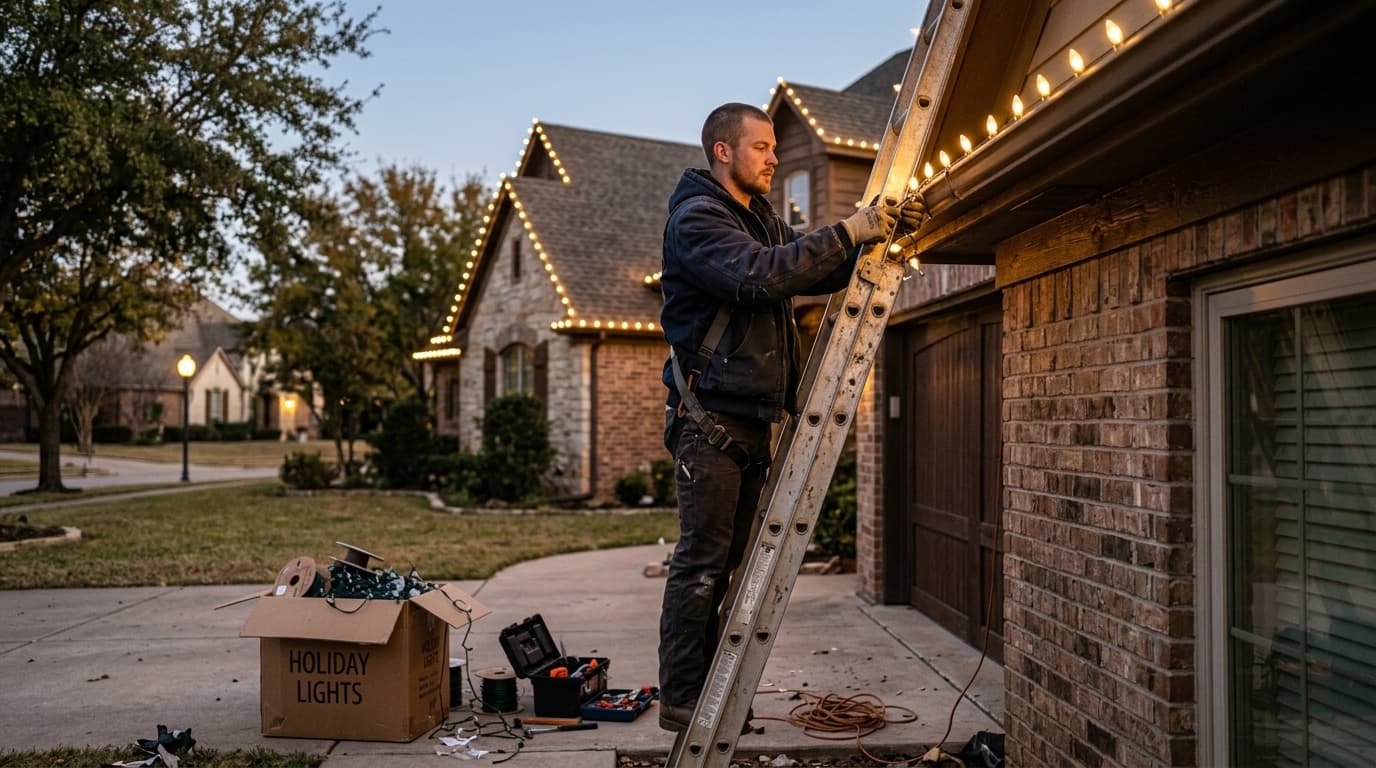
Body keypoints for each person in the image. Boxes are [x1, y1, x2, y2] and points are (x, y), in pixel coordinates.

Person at [656, 102, 926, 732]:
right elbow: (759, 276)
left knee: (732, 565)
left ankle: (715, 691)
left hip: (748, 418)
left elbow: (813, 266)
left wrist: (879, 230)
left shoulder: (762, 220)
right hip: (709, 421)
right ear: (723, 151)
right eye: (763, 146)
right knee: (701, 563)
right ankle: (682, 698)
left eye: (776, 147)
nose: (775, 157)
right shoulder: (697, 221)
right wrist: (848, 230)